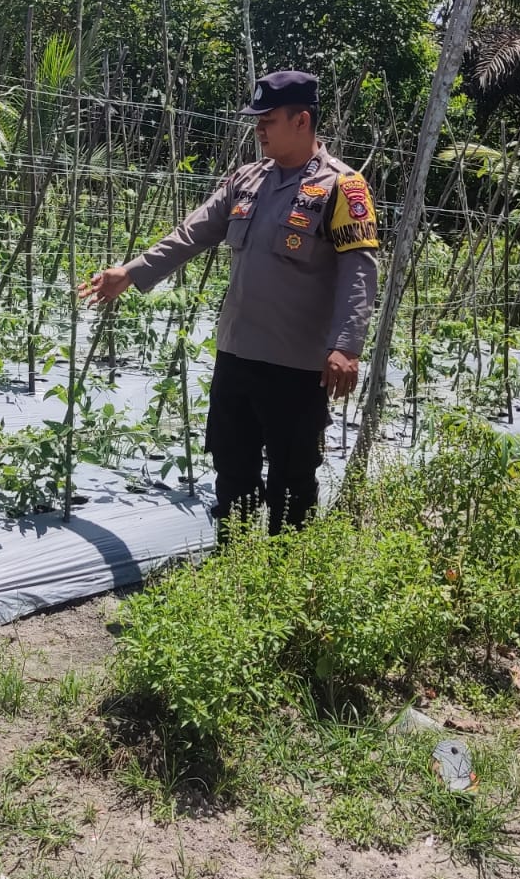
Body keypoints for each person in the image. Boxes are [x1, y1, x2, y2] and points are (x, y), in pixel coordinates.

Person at [81, 70, 380, 533]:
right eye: (257, 120)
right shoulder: (247, 180)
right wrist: (133, 271)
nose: (259, 129)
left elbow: (358, 271)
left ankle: (285, 574)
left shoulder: (343, 187)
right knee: (232, 465)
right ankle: (233, 562)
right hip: (237, 354)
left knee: (292, 476)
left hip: (297, 365)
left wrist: (347, 346)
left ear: (302, 120)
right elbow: (191, 233)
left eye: (269, 120)